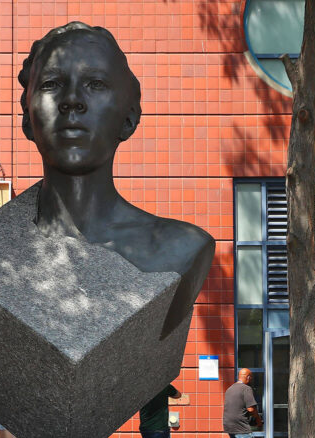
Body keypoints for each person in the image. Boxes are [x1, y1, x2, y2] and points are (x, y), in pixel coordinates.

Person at [19, 22, 215, 337]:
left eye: (95, 84)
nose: (71, 100)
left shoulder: (182, 248)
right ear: (28, 119)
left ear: (129, 118)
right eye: (52, 83)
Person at [223, 369, 262, 438]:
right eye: (251, 378)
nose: (251, 380)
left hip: (229, 427)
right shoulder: (246, 388)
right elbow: (251, 409)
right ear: (248, 377)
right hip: (241, 427)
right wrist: (258, 421)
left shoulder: (229, 389)